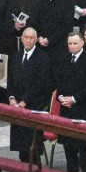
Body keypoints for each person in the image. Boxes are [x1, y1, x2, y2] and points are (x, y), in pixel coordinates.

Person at [56, 32, 86, 172]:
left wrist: (74, 99)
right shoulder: (64, 59)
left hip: (83, 108)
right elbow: (59, 81)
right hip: (66, 108)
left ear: (82, 43)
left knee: (84, 146)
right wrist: (61, 97)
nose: (72, 46)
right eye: (70, 43)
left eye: (75, 43)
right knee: (68, 145)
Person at [8, 27, 51, 163]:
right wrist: (12, 97)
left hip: (33, 103)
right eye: (25, 37)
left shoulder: (42, 57)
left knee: (32, 142)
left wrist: (25, 100)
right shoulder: (17, 55)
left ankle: (34, 166)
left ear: (36, 40)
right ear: (21, 39)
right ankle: (22, 164)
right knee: (20, 141)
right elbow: (10, 79)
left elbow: (41, 82)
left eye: (31, 38)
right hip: (17, 103)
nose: (28, 40)